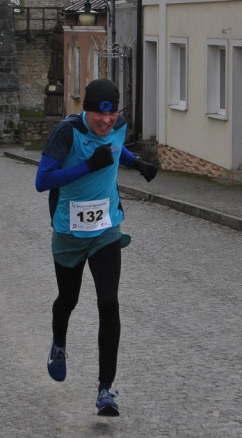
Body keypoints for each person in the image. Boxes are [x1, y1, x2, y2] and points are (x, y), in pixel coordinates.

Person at [34, 78, 158, 417]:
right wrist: (88, 166)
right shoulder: (67, 133)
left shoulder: (117, 125)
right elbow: (42, 181)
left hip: (106, 229)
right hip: (70, 231)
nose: (107, 122)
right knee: (68, 300)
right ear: (87, 111)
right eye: (99, 116)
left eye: (112, 114)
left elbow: (116, 147)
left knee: (108, 302)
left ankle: (106, 389)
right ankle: (59, 344)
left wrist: (137, 163)